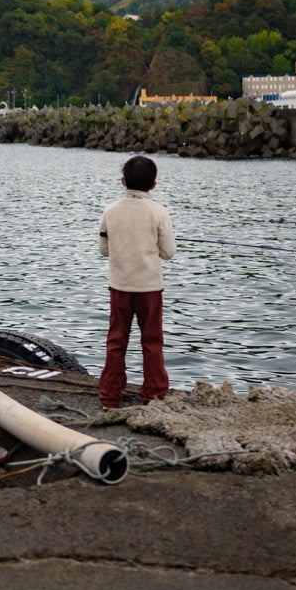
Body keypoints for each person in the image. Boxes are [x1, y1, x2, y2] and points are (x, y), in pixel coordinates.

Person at [97, 155, 176, 408]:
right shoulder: (159, 212)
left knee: (116, 341)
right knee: (152, 342)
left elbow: (104, 249)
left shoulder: (110, 211)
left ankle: (110, 396)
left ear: (123, 182)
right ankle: (153, 396)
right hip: (149, 287)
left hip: (119, 286)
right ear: (153, 185)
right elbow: (169, 252)